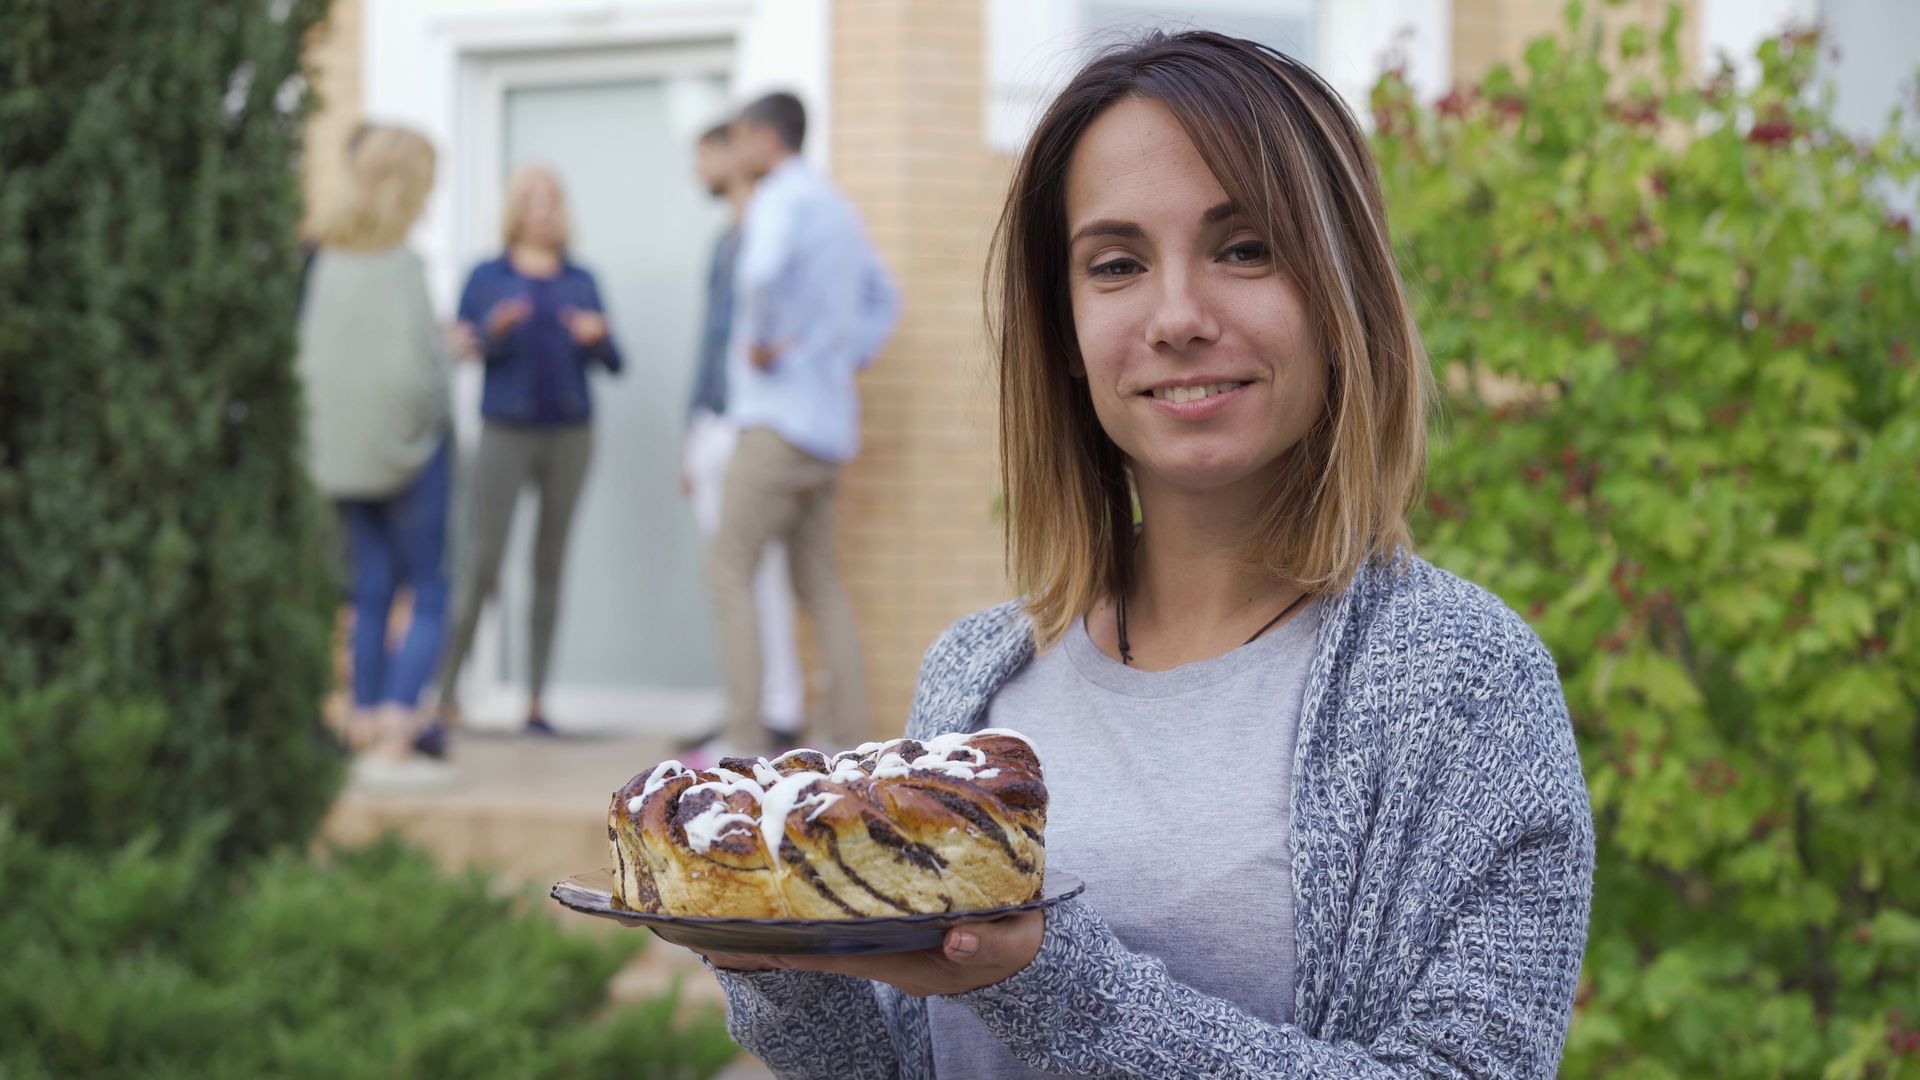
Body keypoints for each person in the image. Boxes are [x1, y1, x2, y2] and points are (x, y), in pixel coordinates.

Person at [690, 32, 1595, 1079]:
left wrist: (1053, 983)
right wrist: (779, 965)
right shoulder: (976, 678)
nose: (1177, 317)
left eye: (1245, 247)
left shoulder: (1466, 682)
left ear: (1343, 295)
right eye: (1115, 265)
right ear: (1066, 333)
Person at [701, 92, 900, 761]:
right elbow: (885, 299)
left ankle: (742, 739)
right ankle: (849, 739)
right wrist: (842, 355)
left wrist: (758, 340)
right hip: (828, 426)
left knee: (729, 566)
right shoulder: (837, 208)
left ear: (762, 138)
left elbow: (757, 274)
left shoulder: (779, 199)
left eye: (739, 137)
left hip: (776, 423)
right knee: (818, 582)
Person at [427, 165, 623, 746]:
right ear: (516, 208)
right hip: (504, 433)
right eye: (532, 199)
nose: (543, 209)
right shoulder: (487, 276)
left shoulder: (583, 278)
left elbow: (614, 361)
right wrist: (493, 328)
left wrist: (599, 337)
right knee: (482, 559)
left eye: (552, 199)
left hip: (571, 433)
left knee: (549, 564)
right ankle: (443, 696)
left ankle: (536, 701)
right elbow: (462, 347)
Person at [296, 124, 454, 767]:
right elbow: (419, 374)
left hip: (337, 459)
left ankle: (360, 718)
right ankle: (395, 724)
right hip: (410, 454)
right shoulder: (403, 264)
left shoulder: (320, 257)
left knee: (370, 587)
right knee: (431, 587)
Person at [681, 122, 806, 754]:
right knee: (731, 572)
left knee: (758, 570)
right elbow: (709, 341)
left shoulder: (774, 230)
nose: (695, 166)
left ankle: (770, 712)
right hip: (713, 423)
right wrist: (690, 433)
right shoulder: (724, 240)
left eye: (704, 153)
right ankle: (750, 706)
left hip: (752, 424)